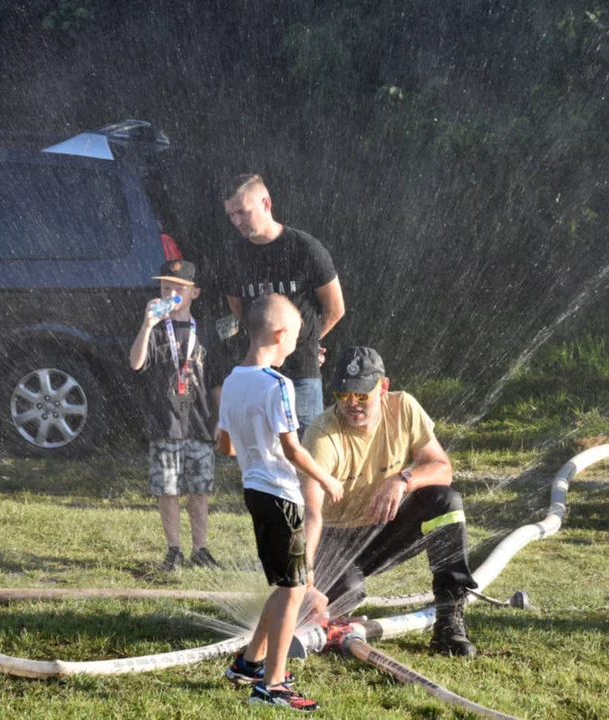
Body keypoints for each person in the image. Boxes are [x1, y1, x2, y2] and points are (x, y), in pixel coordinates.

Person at [301, 346, 480, 656]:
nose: (351, 404)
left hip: (383, 528)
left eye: (361, 395)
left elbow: (442, 468)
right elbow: (310, 512)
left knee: (444, 501)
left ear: (382, 387)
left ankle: (449, 621)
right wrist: (307, 581)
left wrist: (402, 480)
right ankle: (322, 605)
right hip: (332, 540)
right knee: (344, 596)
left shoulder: (404, 408)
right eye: (343, 395)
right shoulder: (322, 435)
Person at [217, 294, 344, 711]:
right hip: (282, 495)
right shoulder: (278, 384)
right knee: (293, 589)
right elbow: (292, 450)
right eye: (295, 339)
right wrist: (326, 479)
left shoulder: (233, 379)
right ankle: (273, 686)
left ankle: (249, 664)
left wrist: (253, 445)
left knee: (284, 585)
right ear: (280, 334)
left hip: (254, 492)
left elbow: (225, 446)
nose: (296, 348)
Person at [222, 174, 345, 436]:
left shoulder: (305, 248)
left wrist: (307, 341)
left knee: (307, 451)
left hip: (301, 372)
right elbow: (237, 306)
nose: (236, 221)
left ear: (266, 204)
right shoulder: (234, 256)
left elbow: (335, 308)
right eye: (231, 215)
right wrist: (261, 343)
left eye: (242, 212)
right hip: (257, 373)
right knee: (261, 450)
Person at [129, 260, 224, 571]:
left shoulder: (206, 331)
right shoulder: (156, 329)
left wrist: (221, 420)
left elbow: (215, 381)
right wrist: (146, 325)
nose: (169, 292)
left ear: (194, 292)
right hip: (165, 422)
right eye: (164, 287)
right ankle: (173, 549)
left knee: (199, 489)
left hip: (199, 422)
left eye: (177, 288)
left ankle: (200, 549)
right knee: (168, 488)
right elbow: (136, 363)